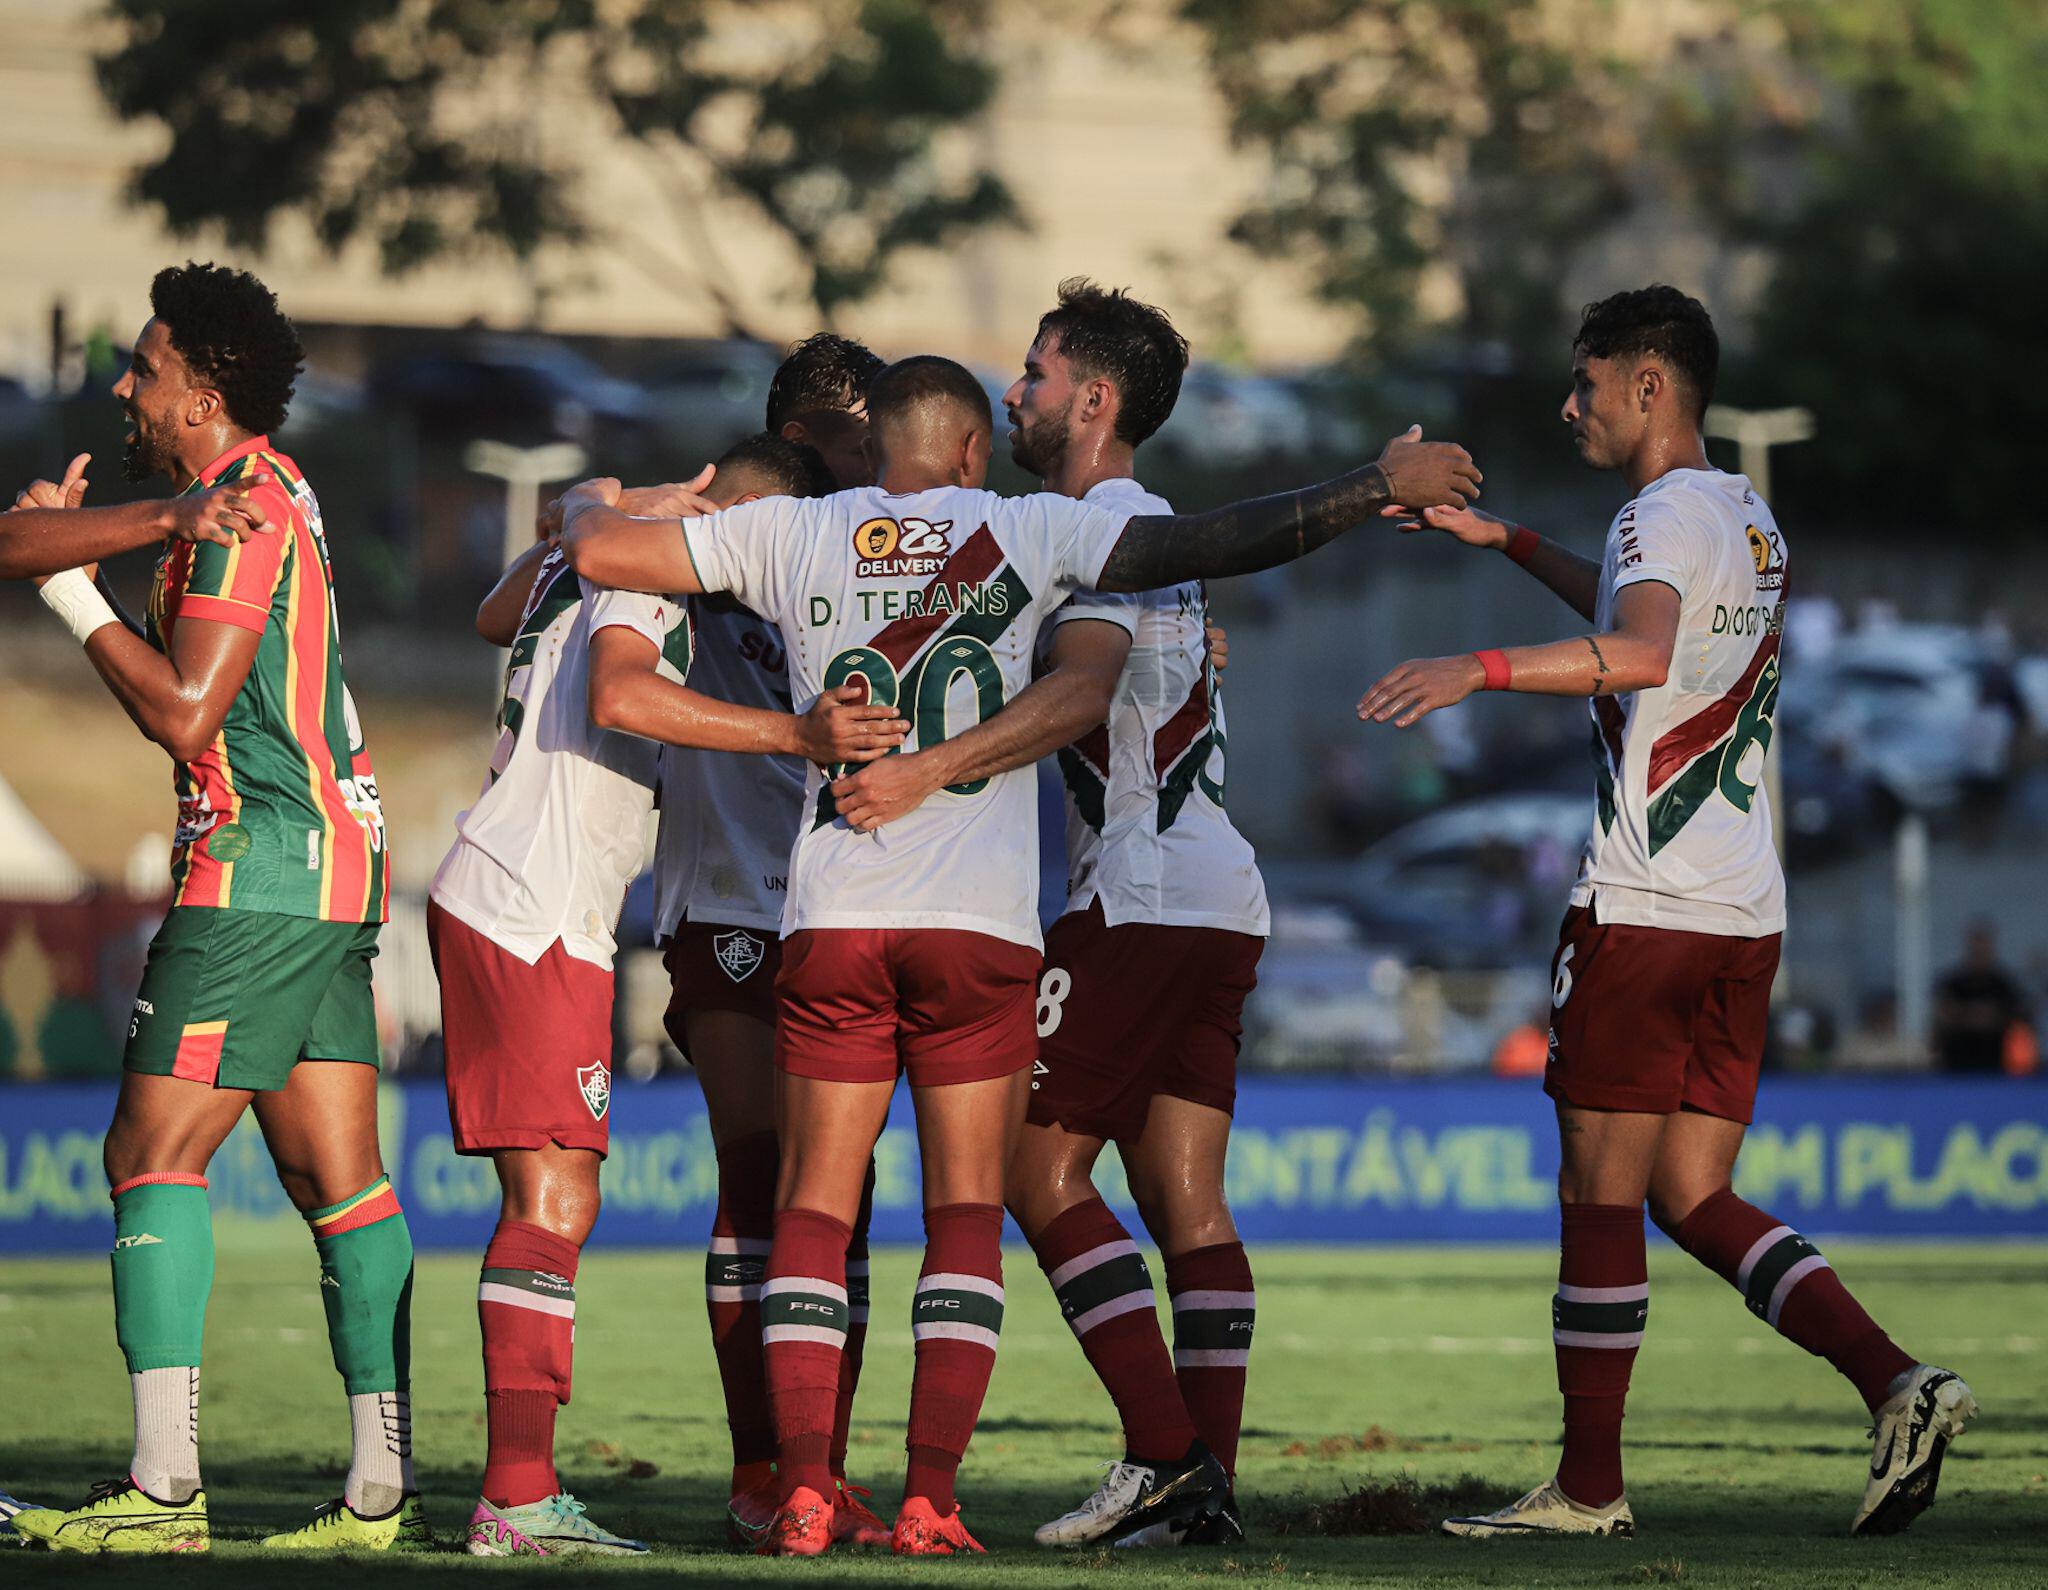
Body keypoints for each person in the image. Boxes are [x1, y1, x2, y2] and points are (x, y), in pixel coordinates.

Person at [561, 352, 1480, 1555]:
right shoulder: (1030, 526)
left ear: (882, 443)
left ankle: (795, 1487)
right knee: (965, 1210)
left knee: (812, 1202)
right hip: (978, 925)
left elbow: (595, 557)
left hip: (833, 905)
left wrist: (597, 500)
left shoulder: (792, 532)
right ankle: (933, 1498)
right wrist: (1372, 485)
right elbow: (1210, 542)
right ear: (965, 453)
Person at [1356, 285, 1975, 1540]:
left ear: (1648, 385)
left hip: (1642, 905)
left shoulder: (1654, 513)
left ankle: (1587, 1488)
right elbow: (1662, 628)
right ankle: (1897, 1383)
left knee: (1596, 1186)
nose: (1567, 404)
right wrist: (1513, 544)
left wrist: (1469, 671)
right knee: (1690, 1192)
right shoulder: (1742, 515)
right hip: (1741, 912)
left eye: (1583, 383)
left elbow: (1639, 655)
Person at [829, 281, 1266, 1550]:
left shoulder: (1096, 524)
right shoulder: (1145, 529)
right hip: (1215, 890)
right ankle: (1206, 1494)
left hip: (1130, 894)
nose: (1012, 392)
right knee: (1186, 1200)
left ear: (1092, 399)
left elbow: (1081, 697)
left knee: (1031, 1169)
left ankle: (1164, 1453)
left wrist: (927, 765)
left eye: (1031, 372)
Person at [6, 264, 419, 1554]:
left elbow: (187, 716)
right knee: (335, 1178)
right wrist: (123, 536)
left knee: (147, 1156)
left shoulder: (243, 510)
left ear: (199, 390)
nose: (126, 383)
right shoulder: (237, 500)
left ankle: (165, 1490)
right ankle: (377, 1493)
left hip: (258, 869)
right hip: (334, 871)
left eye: (143, 365)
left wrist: (82, 587)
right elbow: (15, 541)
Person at [432, 433, 902, 1557]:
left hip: (528, 894)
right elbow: (619, 688)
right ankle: (518, 1498)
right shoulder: (646, 569)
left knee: (559, 1198)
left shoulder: (596, 551)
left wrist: (590, 504)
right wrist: (795, 732)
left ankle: (523, 1492)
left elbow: (499, 617)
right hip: (532, 904)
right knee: (552, 1206)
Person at [650, 335, 898, 1549]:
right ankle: (761, 1474)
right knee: (761, 1181)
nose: (884, 452)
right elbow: (558, 554)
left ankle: (820, 1471)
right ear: (808, 442)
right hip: (726, 908)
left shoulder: (862, 563)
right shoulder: (723, 540)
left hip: (833, 910)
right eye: (864, 435)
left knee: (838, 1202)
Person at [1932, 921, 2032, 1073]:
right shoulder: (1953, 983)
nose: (1980, 950)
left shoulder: (2003, 984)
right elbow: (1944, 1014)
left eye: (1984, 946)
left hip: (1997, 1063)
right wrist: (1972, 1015)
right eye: (1976, 946)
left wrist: (1990, 1016)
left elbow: (2017, 1016)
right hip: (1956, 1063)